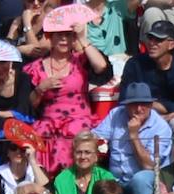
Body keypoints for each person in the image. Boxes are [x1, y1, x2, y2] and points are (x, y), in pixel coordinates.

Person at [25, 18, 112, 171]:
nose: (64, 39)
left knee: (74, 135)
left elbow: (101, 66)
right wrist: (41, 88)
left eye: (68, 35)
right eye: (59, 35)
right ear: (50, 37)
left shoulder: (81, 60)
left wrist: (82, 38)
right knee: (39, 136)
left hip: (79, 120)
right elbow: (29, 105)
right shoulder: (35, 68)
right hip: (49, 122)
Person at [93, 81, 171, 194]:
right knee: (96, 175)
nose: (139, 108)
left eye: (144, 104)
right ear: (126, 105)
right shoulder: (116, 114)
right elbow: (96, 136)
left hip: (146, 179)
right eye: (134, 104)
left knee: (140, 179)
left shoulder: (161, 128)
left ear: (151, 105)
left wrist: (134, 135)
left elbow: (149, 166)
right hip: (115, 178)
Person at [119, 19, 174, 131]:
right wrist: (157, 110)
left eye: (158, 40)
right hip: (138, 114)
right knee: (118, 115)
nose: (152, 43)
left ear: (171, 45)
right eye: (150, 38)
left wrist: (159, 112)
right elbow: (125, 98)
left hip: (173, 116)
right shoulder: (134, 63)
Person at [50, 131, 115, 194]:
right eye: (78, 152)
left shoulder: (106, 177)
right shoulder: (61, 179)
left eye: (87, 152)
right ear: (73, 155)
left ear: (96, 156)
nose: (83, 157)